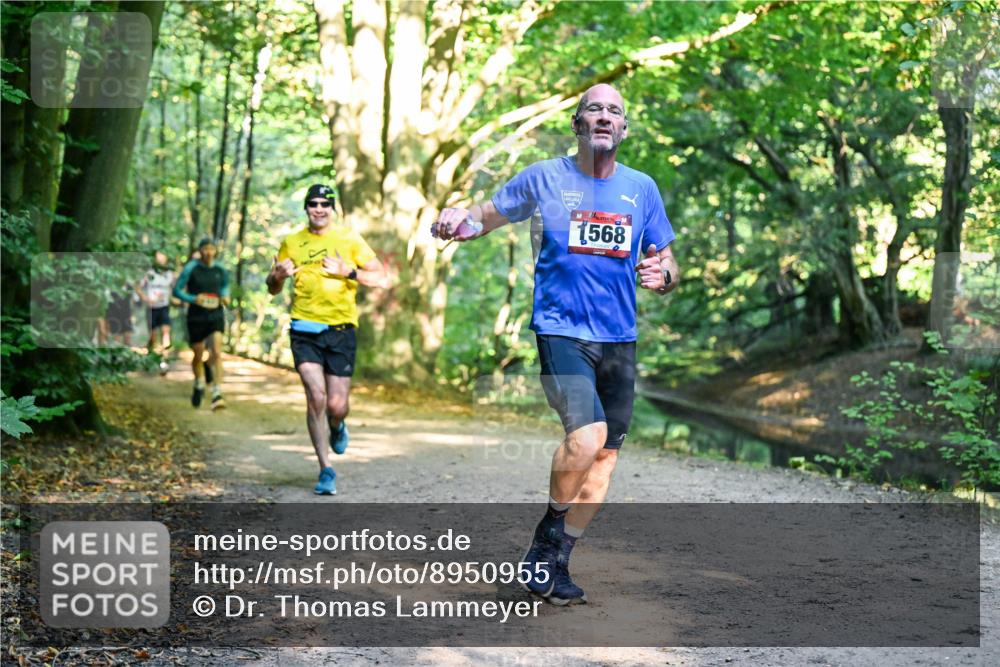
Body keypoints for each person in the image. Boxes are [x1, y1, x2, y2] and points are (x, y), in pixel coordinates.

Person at [434, 84, 679, 605]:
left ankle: (557, 559)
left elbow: (666, 259)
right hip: (560, 329)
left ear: (624, 128)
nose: (604, 116)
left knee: (607, 456)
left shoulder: (643, 189)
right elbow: (486, 216)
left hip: (620, 338)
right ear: (578, 123)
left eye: (615, 110)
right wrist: (460, 218)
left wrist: (663, 274)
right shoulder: (545, 177)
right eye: (594, 108)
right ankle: (548, 533)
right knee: (587, 437)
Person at [266, 184, 389, 495]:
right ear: (306, 208)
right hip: (304, 330)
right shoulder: (291, 242)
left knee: (337, 405)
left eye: (325, 204)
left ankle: (337, 425)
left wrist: (349, 272)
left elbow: (381, 277)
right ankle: (325, 469)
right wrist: (277, 276)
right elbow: (272, 287)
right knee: (316, 397)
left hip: (341, 330)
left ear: (332, 208)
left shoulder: (349, 240)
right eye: (313, 204)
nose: (319, 209)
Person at [173, 238, 230, 410]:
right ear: (200, 250)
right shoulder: (191, 268)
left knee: (217, 353)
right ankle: (198, 383)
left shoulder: (220, 269)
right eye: (205, 249)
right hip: (196, 316)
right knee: (198, 355)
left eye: (212, 249)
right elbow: (177, 290)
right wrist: (193, 299)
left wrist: (225, 296)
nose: (209, 252)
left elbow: (225, 286)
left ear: (216, 250)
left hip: (216, 314)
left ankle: (217, 392)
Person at [138, 250, 175, 375]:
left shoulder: (170, 274)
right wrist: (145, 298)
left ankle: (164, 361)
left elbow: (177, 287)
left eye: (163, 256)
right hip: (151, 308)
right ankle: (149, 358)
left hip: (164, 307)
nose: (160, 259)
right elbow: (137, 286)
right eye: (158, 256)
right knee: (152, 337)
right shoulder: (149, 273)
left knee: (166, 333)